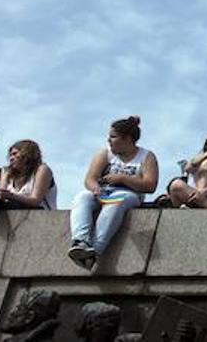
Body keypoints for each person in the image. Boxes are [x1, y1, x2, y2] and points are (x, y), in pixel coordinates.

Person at [68, 116, 159, 270]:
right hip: (102, 191)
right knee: (82, 197)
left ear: (128, 139)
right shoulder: (105, 155)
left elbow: (150, 185)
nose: (109, 140)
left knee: (114, 204)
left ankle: (95, 250)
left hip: (128, 193)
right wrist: (95, 188)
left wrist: (123, 178)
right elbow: (90, 178)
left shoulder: (146, 156)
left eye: (113, 137)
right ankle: (80, 241)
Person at [165, 133, 207, 210]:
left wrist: (203, 193)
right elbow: (187, 168)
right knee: (175, 184)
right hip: (193, 196)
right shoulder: (198, 161)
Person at [0, 139, 57, 211]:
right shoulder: (10, 175)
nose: (11, 158)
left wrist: (10, 196)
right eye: (10, 155)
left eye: (15, 154)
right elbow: (1, 196)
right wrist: (4, 176)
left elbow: (35, 201)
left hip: (41, 215)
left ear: (27, 153)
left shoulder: (42, 170)